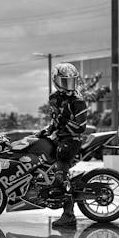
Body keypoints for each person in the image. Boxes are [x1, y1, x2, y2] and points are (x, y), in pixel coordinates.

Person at [37, 62, 88, 227]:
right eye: (65, 81)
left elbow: (81, 126)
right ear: (56, 81)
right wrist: (47, 130)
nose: (69, 85)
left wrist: (62, 127)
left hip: (71, 140)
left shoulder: (77, 100)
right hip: (59, 137)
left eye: (71, 81)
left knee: (61, 174)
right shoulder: (54, 98)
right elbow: (55, 119)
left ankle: (69, 215)